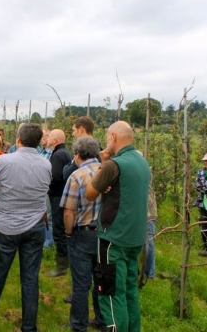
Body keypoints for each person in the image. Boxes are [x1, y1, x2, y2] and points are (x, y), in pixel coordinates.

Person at [0, 123, 52, 331]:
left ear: (18, 139)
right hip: (35, 226)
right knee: (30, 278)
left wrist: (7, 204)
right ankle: (29, 327)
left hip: (8, 226)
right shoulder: (45, 164)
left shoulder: (5, 160)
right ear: (39, 140)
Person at [86, 121, 150, 332]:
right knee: (130, 291)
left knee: (111, 295)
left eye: (107, 137)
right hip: (135, 238)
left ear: (113, 136)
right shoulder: (142, 162)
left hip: (112, 239)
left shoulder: (114, 165)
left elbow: (90, 193)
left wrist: (103, 163)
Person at [60, 137, 106, 332]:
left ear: (77, 155)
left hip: (83, 234)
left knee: (81, 284)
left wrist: (68, 233)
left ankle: (78, 326)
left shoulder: (77, 176)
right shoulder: (108, 172)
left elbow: (69, 211)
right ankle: (103, 320)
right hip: (106, 234)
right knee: (102, 279)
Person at [46, 129, 73, 277]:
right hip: (63, 195)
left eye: (49, 136)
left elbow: (55, 177)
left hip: (57, 196)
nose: (47, 138)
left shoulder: (57, 155)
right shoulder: (66, 153)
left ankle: (61, 266)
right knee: (63, 229)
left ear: (55, 140)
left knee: (59, 230)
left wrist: (45, 186)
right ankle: (66, 262)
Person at [63, 116, 98, 182]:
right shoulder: (99, 151)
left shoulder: (84, 151)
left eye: (74, 130)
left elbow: (67, 174)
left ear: (81, 129)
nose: (73, 134)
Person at [38, 128, 53, 248]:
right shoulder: (40, 152)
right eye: (41, 136)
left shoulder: (52, 153)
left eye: (45, 136)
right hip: (38, 188)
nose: (42, 139)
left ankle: (48, 242)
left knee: (48, 215)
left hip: (47, 188)